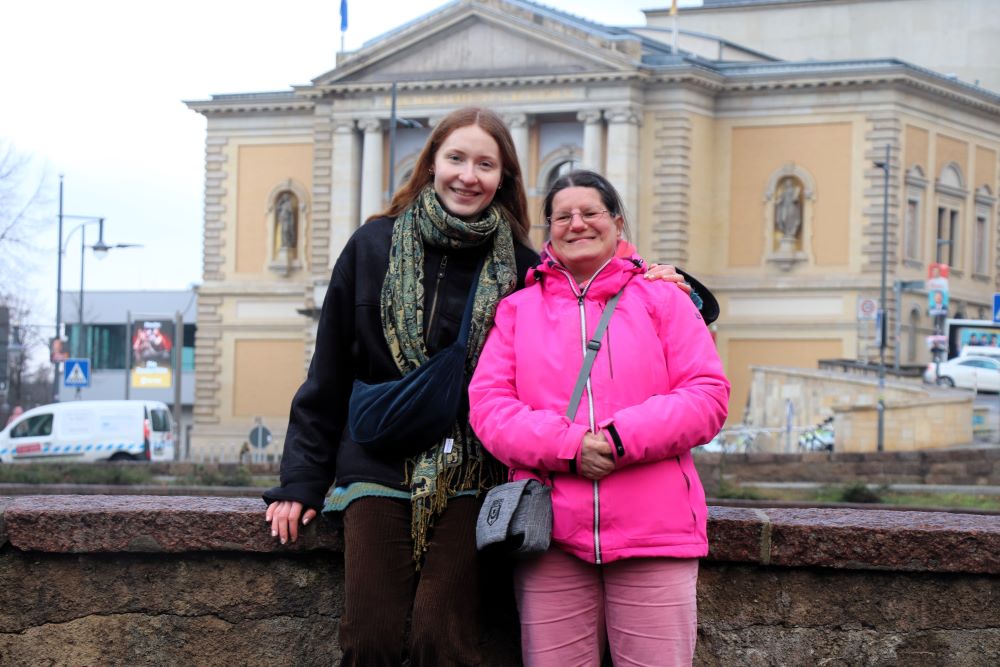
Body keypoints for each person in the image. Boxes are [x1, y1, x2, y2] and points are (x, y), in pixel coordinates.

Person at [263, 108, 712, 666]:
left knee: (442, 637)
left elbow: (591, 289)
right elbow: (329, 371)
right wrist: (301, 481)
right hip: (377, 459)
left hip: (474, 469)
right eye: (456, 158)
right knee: (370, 637)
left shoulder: (522, 267)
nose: (467, 175)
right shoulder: (372, 245)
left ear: (503, 179)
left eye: (485, 164)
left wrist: (658, 276)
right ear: (431, 164)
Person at [469, 170, 730, 666]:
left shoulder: (664, 298)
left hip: (655, 534)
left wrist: (617, 441)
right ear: (548, 230)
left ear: (617, 221)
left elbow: (707, 396)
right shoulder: (517, 310)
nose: (577, 224)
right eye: (563, 216)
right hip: (551, 538)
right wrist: (570, 447)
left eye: (590, 212)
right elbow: (490, 407)